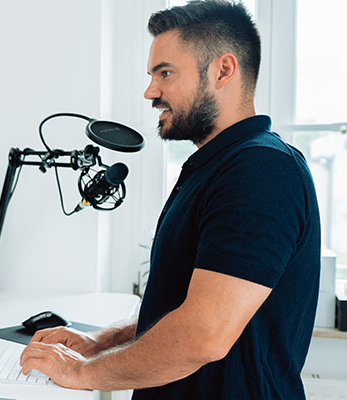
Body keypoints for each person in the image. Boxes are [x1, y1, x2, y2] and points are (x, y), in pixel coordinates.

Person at [19, 1, 321, 398]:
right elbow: (182, 306)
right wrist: (101, 343)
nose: (150, 91)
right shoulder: (217, 167)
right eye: (151, 74)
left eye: (165, 73)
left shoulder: (261, 170)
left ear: (223, 70)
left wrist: (83, 373)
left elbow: (204, 335)